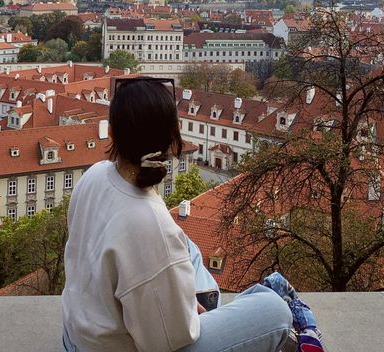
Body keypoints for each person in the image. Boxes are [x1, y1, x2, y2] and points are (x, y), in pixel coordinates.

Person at [62, 77, 296, 352]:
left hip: (75, 337)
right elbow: (168, 341)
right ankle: (246, 302)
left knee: (187, 246)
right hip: (119, 347)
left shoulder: (96, 174)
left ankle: (211, 301)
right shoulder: (149, 222)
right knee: (274, 310)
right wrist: (185, 311)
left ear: (111, 133)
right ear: (173, 139)